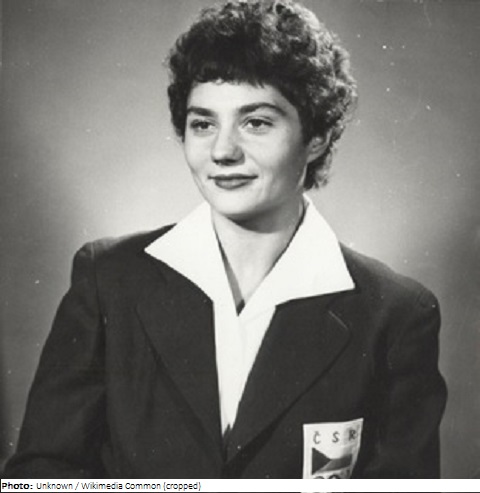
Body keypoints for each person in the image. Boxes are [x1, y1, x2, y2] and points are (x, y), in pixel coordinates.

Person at [4, 0, 446, 479]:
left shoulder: (396, 315)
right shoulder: (108, 279)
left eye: (256, 122)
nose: (222, 150)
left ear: (316, 135)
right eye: (203, 124)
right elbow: (41, 477)